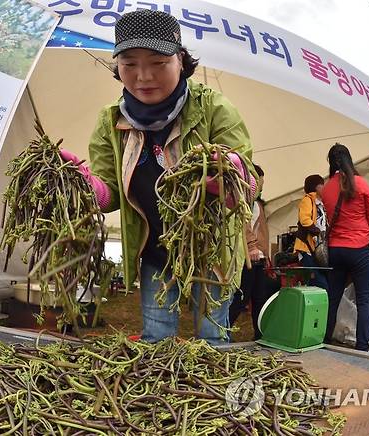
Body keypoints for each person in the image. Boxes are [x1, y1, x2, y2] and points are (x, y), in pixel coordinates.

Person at [60, 10, 257, 344]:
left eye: (158, 62)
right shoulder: (111, 122)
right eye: (129, 63)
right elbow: (109, 192)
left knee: (212, 338)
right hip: (155, 251)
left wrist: (230, 175)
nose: (143, 76)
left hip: (210, 250)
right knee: (157, 340)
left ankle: (211, 393)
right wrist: (84, 186)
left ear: (180, 60)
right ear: (117, 66)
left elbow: (248, 185)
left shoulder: (213, 108)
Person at [322, 144, 369, 351]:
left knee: (333, 296)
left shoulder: (326, 188)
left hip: (336, 248)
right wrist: (364, 231)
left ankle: (325, 338)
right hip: (358, 248)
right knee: (363, 298)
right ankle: (362, 345)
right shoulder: (361, 184)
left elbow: (329, 217)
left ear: (330, 162)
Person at [229, 164, 278, 340]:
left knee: (260, 298)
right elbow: (243, 225)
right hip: (248, 258)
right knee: (242, 297)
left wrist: (265, 253)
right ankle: (224, 330)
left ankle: (259, 335)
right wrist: (251, 246)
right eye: (260, 181)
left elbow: (262, 230)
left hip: (260, 258)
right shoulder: (242, 200)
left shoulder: (258, 203)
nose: (262, 185)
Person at [293, 174, 329, 291]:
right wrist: (317, 232)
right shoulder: (307, 200)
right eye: (322, 185)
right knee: (319, 283)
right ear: (317, 187)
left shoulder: (321, 204)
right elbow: (305, 220)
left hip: (316, 248)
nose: (325, 188)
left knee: (320, 281)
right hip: (306, 249)